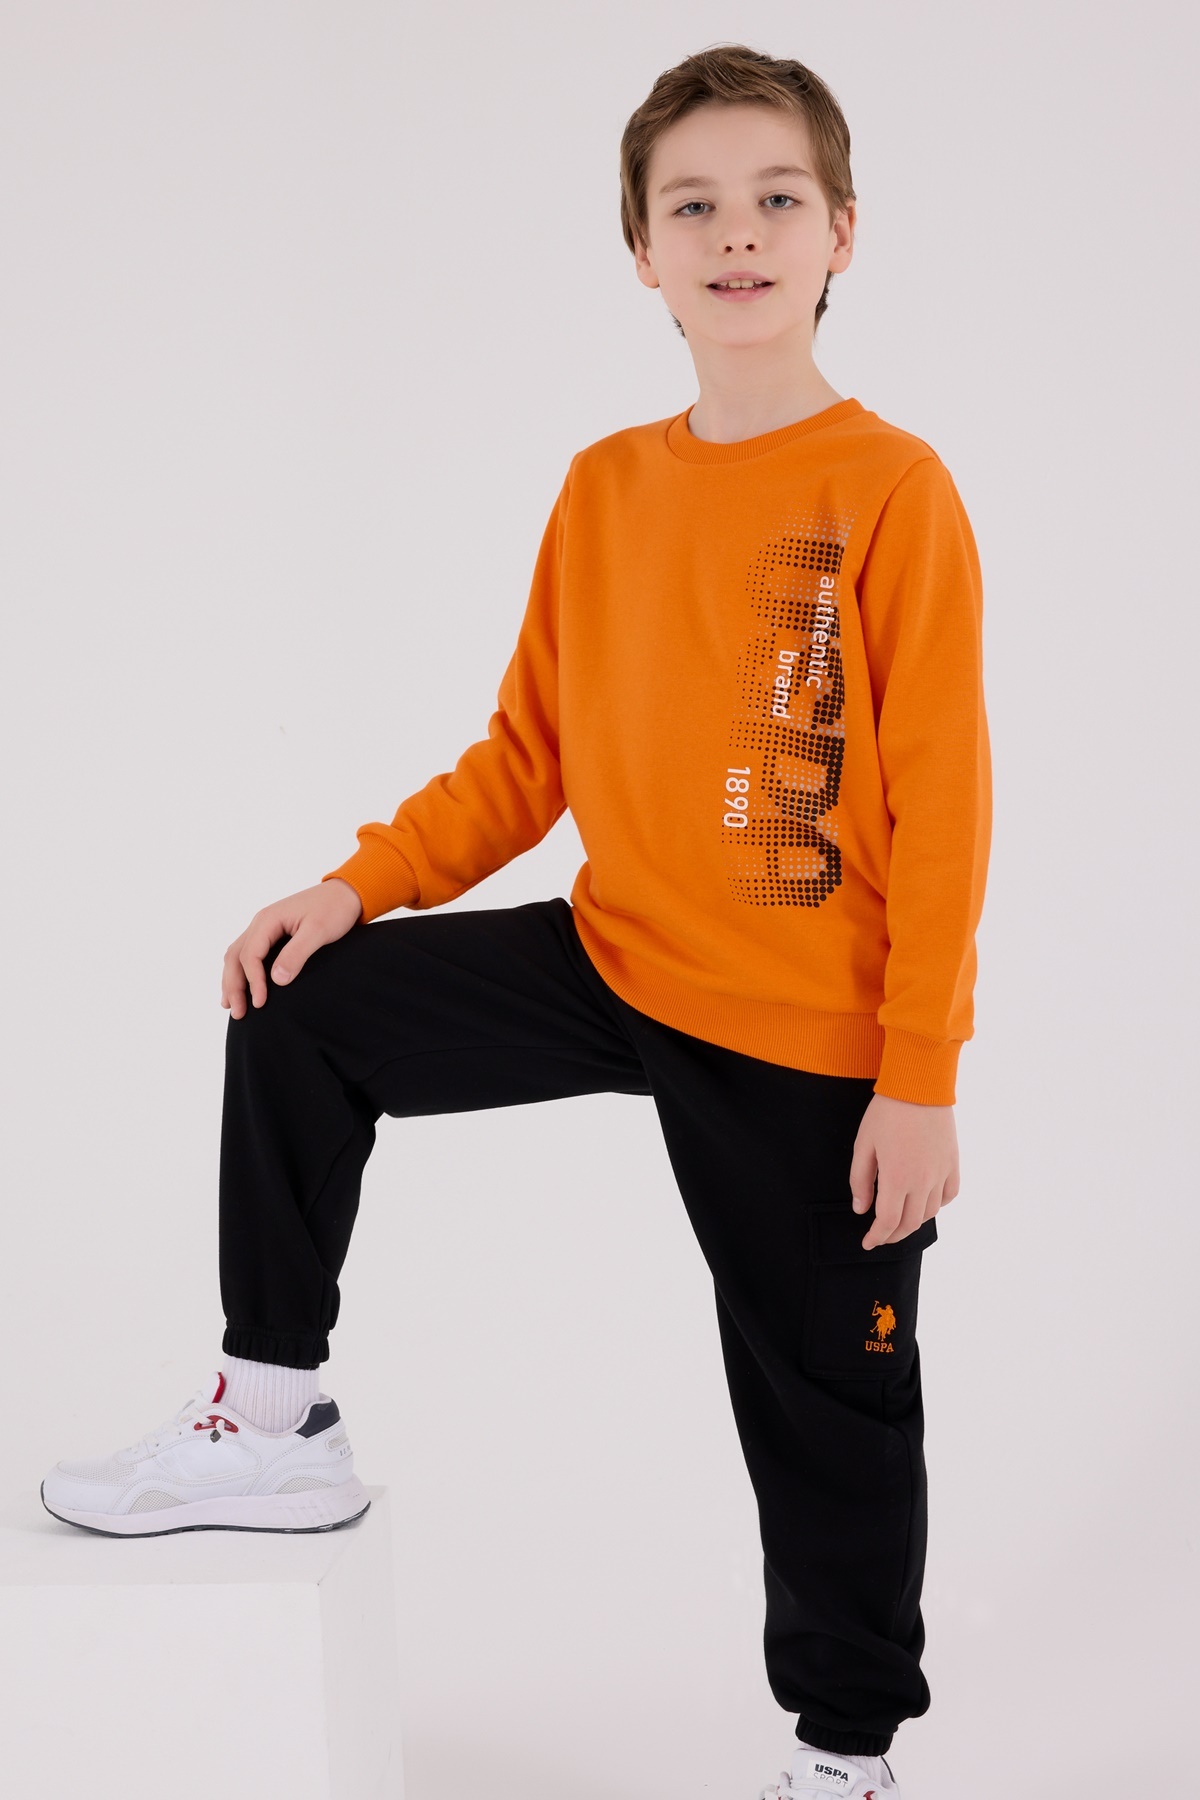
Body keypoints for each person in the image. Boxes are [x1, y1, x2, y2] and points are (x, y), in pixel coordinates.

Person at [41, 42, 991, 1800]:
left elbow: (946, 805)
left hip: (807, 1028)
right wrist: (355, 885)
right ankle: (274, 1416)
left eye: (776, 198)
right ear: (641, 252)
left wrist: (918, 1074)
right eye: (692, 206)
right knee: (306, 1008)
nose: (736, 234)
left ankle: (847, 1757)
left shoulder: (892, 488)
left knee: (830, 1412)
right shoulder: (607, 486)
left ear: (843, 233)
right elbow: (526, 759)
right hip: (616, 956)